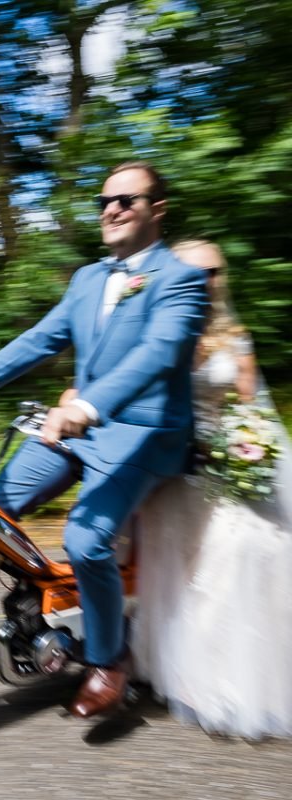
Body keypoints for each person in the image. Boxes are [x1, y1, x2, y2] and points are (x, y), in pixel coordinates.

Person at [0, 161, 209, 719]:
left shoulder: (181, 279)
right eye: (105, 200)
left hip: (144, 434)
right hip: (78, 429)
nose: (112, 209)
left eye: (127, 200)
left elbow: (157, 355)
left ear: (158, 210)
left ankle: (109, 660)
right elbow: (40, 339)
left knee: (85, 540)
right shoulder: (87, 279)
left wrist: (86, 405)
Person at [131, 240, 292, 739]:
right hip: (174, 468)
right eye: (193, 272)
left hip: (223, 465)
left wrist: (247, 445)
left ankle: (234, 677)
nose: (205, 281)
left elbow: (252, 409)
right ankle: (177, 669)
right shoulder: (160, 330)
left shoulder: (235, 338)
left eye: (213, 272)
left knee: (248, 548)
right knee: (178, 568)